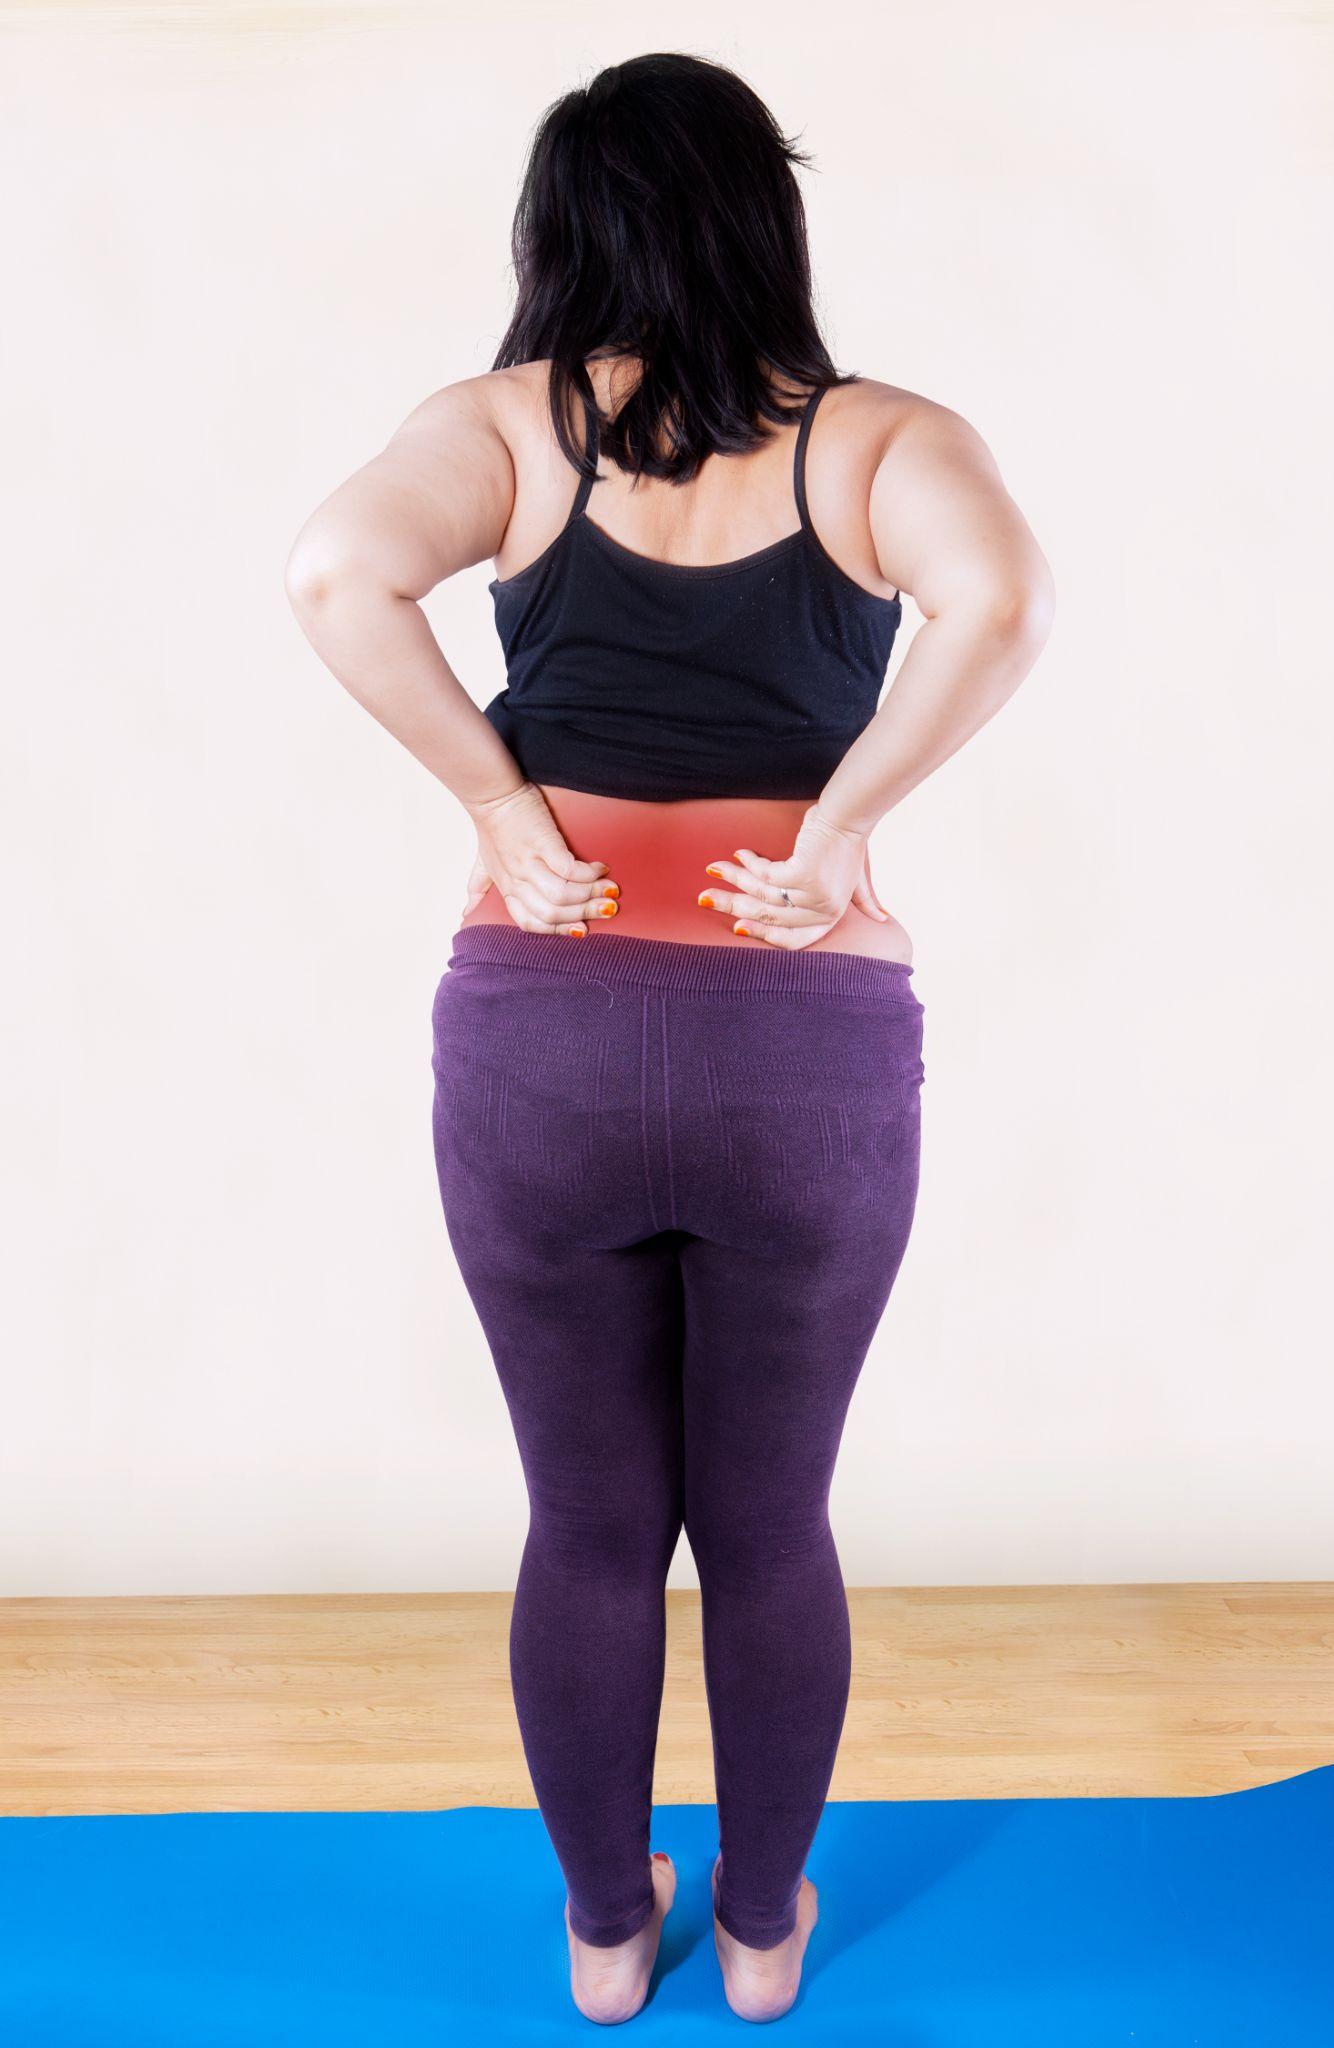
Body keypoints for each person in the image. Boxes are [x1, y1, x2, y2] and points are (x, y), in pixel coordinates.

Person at [285, 51, 1053, 2028]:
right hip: (802, 1038)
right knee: (768, 1516)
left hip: (537, 1034)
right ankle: (766, 1928)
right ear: (761, 222)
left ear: (560, 230)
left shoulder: (499, 430)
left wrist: (499, 807)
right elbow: (997, 603)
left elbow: (334, 574)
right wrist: (846, 822)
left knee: (591, 1518)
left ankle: (606, 1926)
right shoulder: (879, 440)